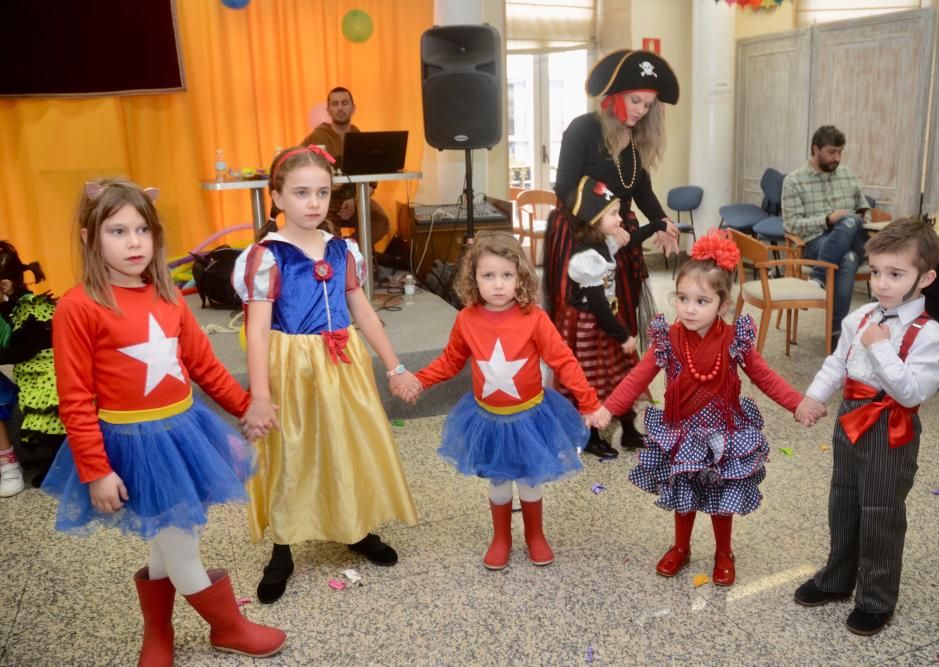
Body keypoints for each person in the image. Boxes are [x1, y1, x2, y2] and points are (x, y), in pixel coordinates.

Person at [41, 179, 287, 664]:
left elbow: (203, 365)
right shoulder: (77, 306)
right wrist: (94, 468)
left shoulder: (168, 295)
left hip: (183, 432)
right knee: (178, 543)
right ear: (91, 238)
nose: (133, 242)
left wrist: (245, 406)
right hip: (132, 444)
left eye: (142, 229)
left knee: (169, 538)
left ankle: (158, 634)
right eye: (117, 231)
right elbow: (74, 397)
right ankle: (227, 626)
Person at [235, 145, 419, 605]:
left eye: (321, 192)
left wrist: (395, 366)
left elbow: (365, 314)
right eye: (300, 193)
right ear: (275, 197)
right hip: (292, 367)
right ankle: (283, 546)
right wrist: (259, 396)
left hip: (343, 365)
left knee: (346, 444)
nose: (313, 203)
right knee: (290, 451)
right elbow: (257, 331)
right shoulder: (267, 256)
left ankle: (353, 527)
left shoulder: (344, 250)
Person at [590, 230, 803, 587]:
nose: (689, 308)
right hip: (682, 431)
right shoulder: (667, 338)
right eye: (683, 298)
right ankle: (681, 546)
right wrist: (608, 409)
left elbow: (765, 377)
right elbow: (636, 378)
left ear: (723, 305)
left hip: (724, 432)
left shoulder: (735, 337)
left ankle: (724, 552)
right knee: (682, 493)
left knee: (722, 496)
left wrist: (797, 404)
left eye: (701, 301)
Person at [409, 231, 602, 569]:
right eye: (488, 276)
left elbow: (563, 360)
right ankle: (501, 537)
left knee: (529, 480)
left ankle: (535, 535)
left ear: (520, 278)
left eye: (506, 275)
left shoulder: (534, 318)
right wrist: (419, 380)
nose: (498, 284)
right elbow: (451, 361)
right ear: (474, 279)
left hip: (529, 417)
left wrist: (588, 402)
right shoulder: (467, 319)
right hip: (488, 419)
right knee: (498, 481)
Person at [793, 218, 939, 636]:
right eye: (876, 271)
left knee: (881, 512)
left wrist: (880, 346)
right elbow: (837, 362)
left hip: (889, 429)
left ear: (925, 277)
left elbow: (910, 393)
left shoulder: (930, 335)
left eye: (896, 274)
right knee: (842, 501)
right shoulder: (861, 316)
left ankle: (877, 598)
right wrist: (814, 396)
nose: (881, 283)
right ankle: (837, 578)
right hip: (849, 420)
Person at [544, 49, 681, 455]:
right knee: (586, 332)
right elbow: (564, 188)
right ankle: (586, 425)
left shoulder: (635, 141)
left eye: (648, 104)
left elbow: (642, 191)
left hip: (618, 239)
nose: (640, 110)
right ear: (614, 95)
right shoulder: (583, 129)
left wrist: (663, 221)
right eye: (635, 100)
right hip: (580, 237)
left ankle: (625, 417)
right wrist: (600, 225)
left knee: (622, 328)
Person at [558, 176, 667, 459]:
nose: (620, 219)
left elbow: (632, 240)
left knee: (623, 375)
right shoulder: (585, 259)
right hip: (592, 328)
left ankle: (629, 430)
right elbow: (597, 305)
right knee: (594, 380)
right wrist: (623, 335)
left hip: (609, 323)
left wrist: (658, 224)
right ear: (594, 219)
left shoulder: (605, 244)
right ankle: (591, 436)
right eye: (614, 214)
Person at [782, 125, 872, 341]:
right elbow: (792, 226)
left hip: (854, 236)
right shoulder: (793, 181)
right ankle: (836, 335)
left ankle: (818, 276)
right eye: (832, 152)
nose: (837, 158)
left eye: (840, 152)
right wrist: (827, 220)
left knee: (850, 219)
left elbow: (863, 210)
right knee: (847, 259)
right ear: (815, 149)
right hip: (814, 242)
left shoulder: (847, 175)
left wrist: (854, 218)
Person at [0, 242, 64, 488]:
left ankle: (63, 464)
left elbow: (18, 351)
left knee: (51, 420)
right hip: (32, 373)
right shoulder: (9, 308)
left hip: (48, 372)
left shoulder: (30, 310)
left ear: (5, 286)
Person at [301, 86, 391, 245]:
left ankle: (352, 252)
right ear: (328, 110)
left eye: (344, 103)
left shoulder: (360, 138)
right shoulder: (317, 136)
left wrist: (356, 201)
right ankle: (340, 253)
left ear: (353, 108)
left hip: (357, 198)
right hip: (326, 202)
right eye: (335, 104)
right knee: (327, 235)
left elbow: (371, 181)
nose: (340, 108)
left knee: (380, 222)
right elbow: (295, 163)